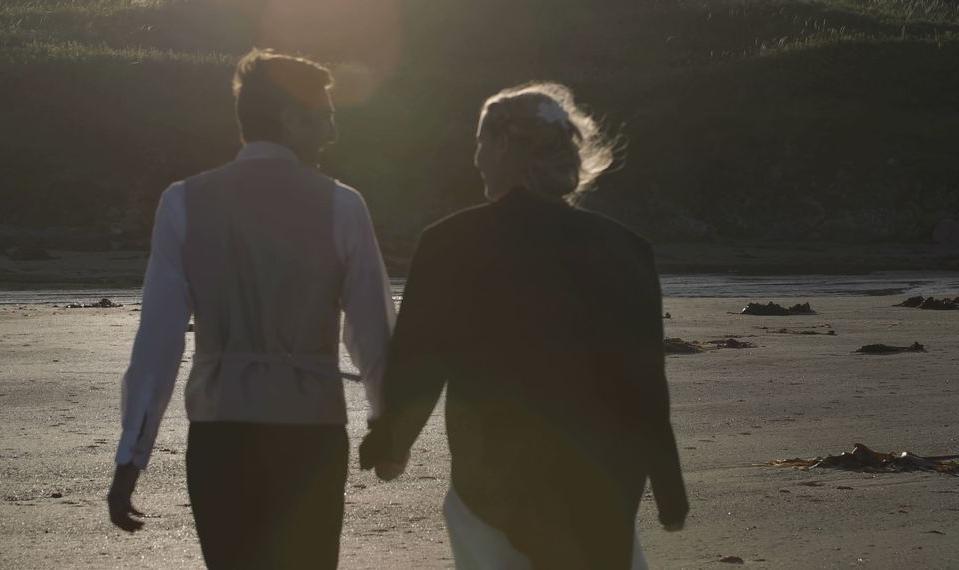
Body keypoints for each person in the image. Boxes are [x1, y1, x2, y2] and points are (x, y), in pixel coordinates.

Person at [360, 82, 688, 569]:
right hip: (596, 491)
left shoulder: (451, 243)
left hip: (492, 485)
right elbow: (642, 383)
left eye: (480, 143)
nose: (475, 159)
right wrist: (669, 491)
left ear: (505, 147)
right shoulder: (625, 250)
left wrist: (391, 444)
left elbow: (421, 361)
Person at [107, 49, 395, 569]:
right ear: (291, 119)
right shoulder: (341, 205)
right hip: (310, 436)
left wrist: (133, 454)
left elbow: (158, 342)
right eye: (325, 117)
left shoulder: (184, 202)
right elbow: (372, 332)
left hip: (221, 436)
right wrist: (388, 424)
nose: (332, 133)